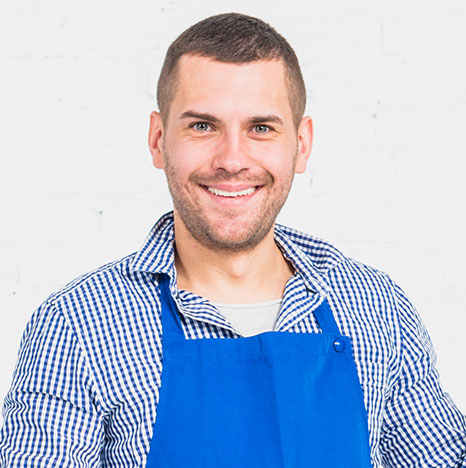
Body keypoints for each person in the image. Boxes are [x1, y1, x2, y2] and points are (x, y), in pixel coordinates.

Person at [0, 11, 465, 468]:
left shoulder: (376, 308)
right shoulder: (78, 326)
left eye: (261, 128)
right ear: (158, 139)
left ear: (301, 144)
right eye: (202, 126)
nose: (232, 159)